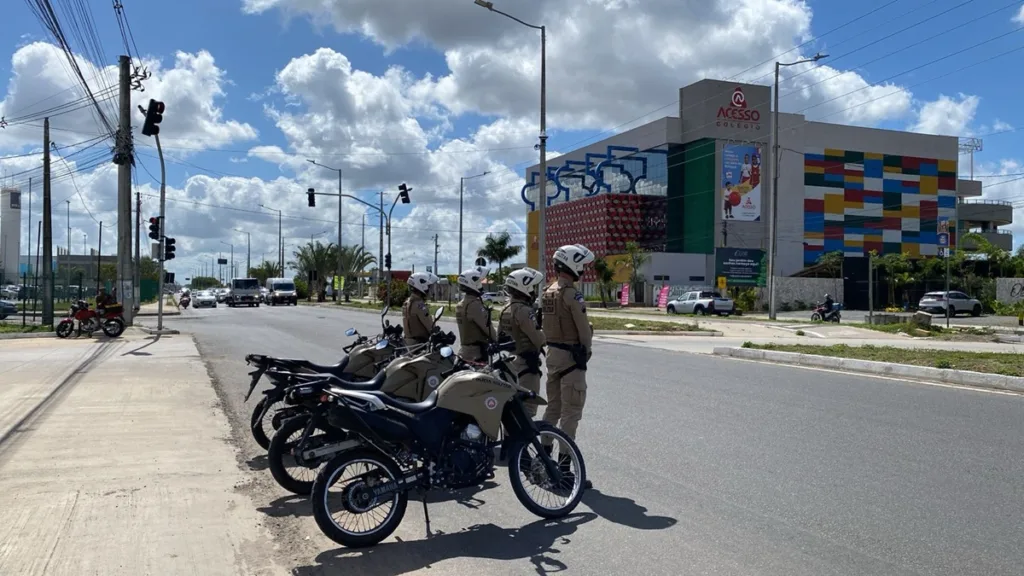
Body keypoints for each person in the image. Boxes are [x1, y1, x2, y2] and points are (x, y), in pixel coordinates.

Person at [541, 244, 595, 490]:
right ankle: (563, 470)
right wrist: (587, 350)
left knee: (552, 410)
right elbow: (583, 329)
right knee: (571, 414)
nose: (583, 270)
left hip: (553, 356)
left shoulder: (548, 291)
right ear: (572, 265)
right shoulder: (572, 295)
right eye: (582, 265)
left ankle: (542, 462)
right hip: (571, 359)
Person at [498, 267, 546, 418]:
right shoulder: (524, 311)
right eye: (532, 287)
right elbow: (538, 339)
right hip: (526, 365)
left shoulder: (505, 308)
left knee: (512, 412)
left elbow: (499, 336)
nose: (533, 292)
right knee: (527, 412)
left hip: (510, 363)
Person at [455, 266, 495, 362]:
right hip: (476, 355)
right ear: (474, 284)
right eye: (480, 282)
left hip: (464, 351)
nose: (482, 285)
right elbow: (488, 329)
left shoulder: (461, 304)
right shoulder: (474, 305)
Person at [402, 272, 439, 346]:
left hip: (408, 343)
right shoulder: (420, 305)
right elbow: (430, 327)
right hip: (419, 345)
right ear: (422, 286)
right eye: (429, 286)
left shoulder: (407, 303)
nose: (429, 289)